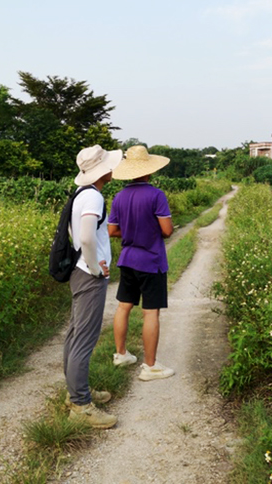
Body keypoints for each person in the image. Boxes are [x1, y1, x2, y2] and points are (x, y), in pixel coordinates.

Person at [64, 145, 123, 428]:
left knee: (75, 334)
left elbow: (73, 232)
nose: (113, 168)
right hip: (89, 276)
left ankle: (76, 392)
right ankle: (80, 405)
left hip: (78, 271)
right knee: (84, 338)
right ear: (102, 171)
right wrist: (95, 266)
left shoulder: (80, 194)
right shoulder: (94, 198)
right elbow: (86, 236)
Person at [108, 145, 175, 381]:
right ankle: (150, 366)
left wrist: (131, 231)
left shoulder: (119, 196)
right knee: (150, 312)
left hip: (127, 259)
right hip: (151, 260)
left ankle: (121, 354)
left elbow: (112, 230)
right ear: (149, 170)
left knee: (123, 306)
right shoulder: (156, 195)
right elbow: (167, 230)